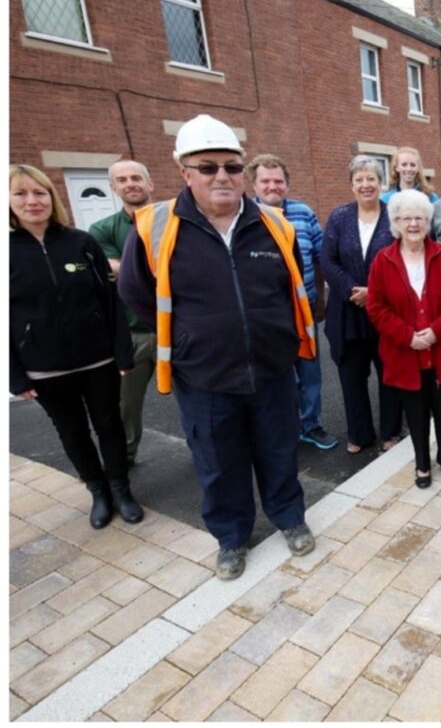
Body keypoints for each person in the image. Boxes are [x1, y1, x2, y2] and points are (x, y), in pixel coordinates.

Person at [119, 114, 317, 580]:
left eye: (231, 166)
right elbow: (135, 292)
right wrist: (189, 338)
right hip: (203, 377)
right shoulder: (154, 226)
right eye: (207, 167)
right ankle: (231, 538)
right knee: (218, 464)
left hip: (271, 370)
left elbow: (289, 290)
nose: (222, 176)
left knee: (279, 452)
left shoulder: (274, 224)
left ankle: (289, 518)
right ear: (185, 172)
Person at [10, 164, 142, 529]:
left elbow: (111, 301)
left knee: (109, 425)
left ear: (51, 197)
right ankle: (98, 491)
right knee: (72, 432)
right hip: (44, 366)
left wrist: (122, 351)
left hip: (97, 359)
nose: (32, 201)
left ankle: (121, 489)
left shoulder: (81, 243)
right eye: (20, 193)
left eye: (39, 193)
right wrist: (15, 375)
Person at [367, 190, 441, 488]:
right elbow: (376, 307)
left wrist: (437, 331)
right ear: (396, 223)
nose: (413, 224)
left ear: (428, 221)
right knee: (416, 411)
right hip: (406, 354)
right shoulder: (383, 261)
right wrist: (407, 336)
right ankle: (422, 462)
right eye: (407, 218)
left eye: (420, 218)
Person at [246, 153, 338, 451]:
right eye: (265, 181)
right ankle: (281, 429)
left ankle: (310, 425)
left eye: (278, 181)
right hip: (267, 314)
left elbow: (320, 257)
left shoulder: (303, 213)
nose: (272, 186)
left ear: (287, 183)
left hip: (305, 308)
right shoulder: (245, 216)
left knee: (309, 371)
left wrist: (320, 299)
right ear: (254, 184)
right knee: (274, 375)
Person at [322, 155, 404, 454]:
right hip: (347, 313)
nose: (366, 184)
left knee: (390, 373)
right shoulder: (339, 217)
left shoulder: (394, 217)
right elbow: (327, 260)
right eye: (359, 179)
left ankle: (391, 432)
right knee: (351, 376)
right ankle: (359, 433)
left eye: (371, 178)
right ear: (351, 185)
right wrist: (350, 289)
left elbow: (404, 259)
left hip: (386, 311)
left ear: (381, 183)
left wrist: (375, 292)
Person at [88, 160, 158, 467]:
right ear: (113, 188)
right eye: (122, 179)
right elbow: (116, 270)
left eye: (136, 177)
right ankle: (124, 460)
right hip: (131, 334)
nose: (130, 183)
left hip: (175, 329)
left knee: (197, 398)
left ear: (150, 183)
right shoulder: (102, 230)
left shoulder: (171, 220)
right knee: (126, 406)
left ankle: (207, 452)